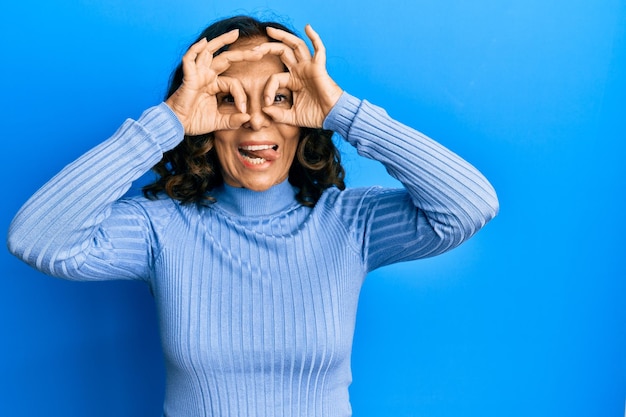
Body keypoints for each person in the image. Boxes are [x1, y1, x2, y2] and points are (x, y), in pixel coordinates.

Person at [7, 15, 498, 417]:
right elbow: (38, 240)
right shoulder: (161, 227)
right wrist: (167, 123)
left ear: (305, 116)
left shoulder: (351, 223)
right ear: (205, 119)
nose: (255, 120)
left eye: (279, 98)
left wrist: (343, 110)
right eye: (229, 99)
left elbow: (468, 206)